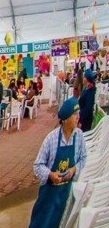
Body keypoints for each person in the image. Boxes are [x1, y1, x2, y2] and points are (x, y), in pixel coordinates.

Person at [29, 97, 87, 228]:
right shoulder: (52, 139)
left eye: (78, 114)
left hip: (66, 193)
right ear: (65, 119)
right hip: (49, 194)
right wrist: (50, 175)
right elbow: (37, 165)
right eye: (74, 115)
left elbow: (83, 158)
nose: (78, 117)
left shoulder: (79, 136)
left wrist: (74, 170)